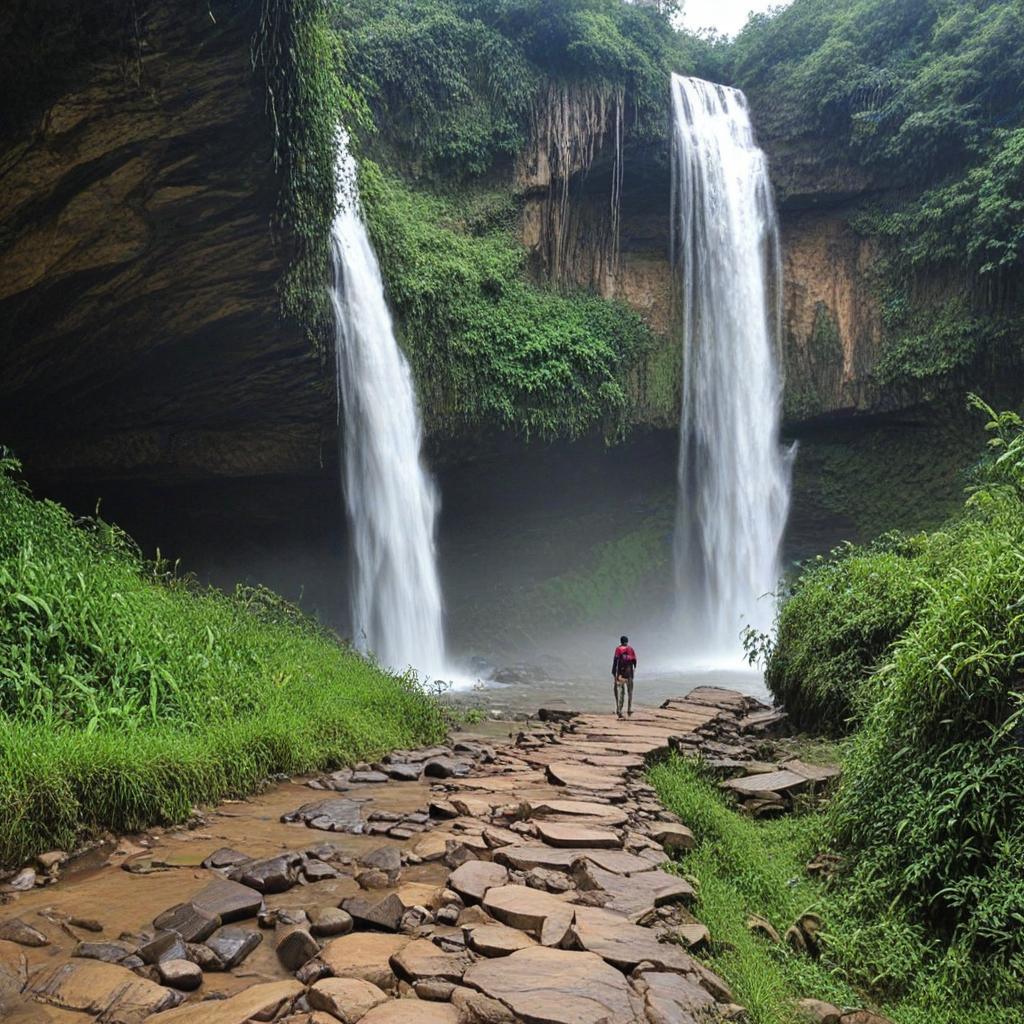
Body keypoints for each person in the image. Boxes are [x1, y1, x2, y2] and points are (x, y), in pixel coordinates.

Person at [612, 635, 637, 719]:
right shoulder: (631, 649)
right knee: (630, 692)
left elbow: (615, 661)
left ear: (620, 641)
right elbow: (634, 662)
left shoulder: (618, 649)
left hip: (620, 674)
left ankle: (619, 711)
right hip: (629, 674)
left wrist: (614, 673)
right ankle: (629, 709)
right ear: (627, 641)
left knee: (620, 693)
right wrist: (633, 673)